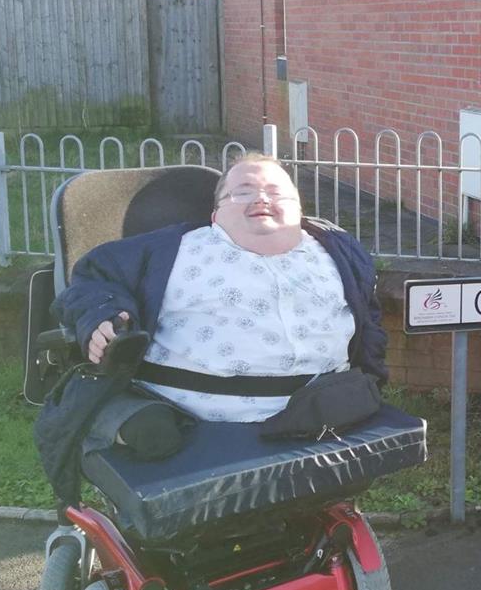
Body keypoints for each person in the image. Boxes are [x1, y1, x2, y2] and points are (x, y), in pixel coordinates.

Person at [37, 154, 387, 497]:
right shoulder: (172, 248)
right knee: (152, 434)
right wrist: (100, 314)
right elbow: (94, 277)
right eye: (243, 191)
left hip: (321, 412)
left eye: (276, 191)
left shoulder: (337, 251)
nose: (261, 197)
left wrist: (373, 372)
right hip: (197, 416)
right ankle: (116, 418)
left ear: (299, 209)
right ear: (216, 213)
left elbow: (368, 319)